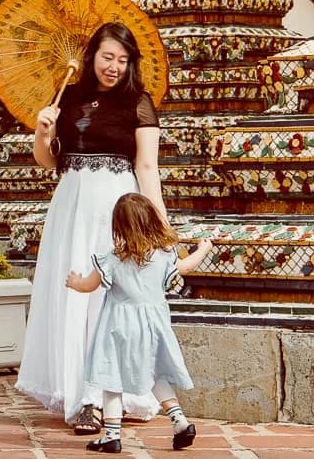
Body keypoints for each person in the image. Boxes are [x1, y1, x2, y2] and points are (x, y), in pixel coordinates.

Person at [15, 22, 170, 434]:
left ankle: (112, 392)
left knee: (111, 297)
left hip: (118, 206)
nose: (114, 67)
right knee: (74, 295)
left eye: (122, 60)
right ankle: (83, 397)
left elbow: (147, 167)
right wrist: (43, 132)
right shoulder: (68, 97)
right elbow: (49, 162)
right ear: (91, 56)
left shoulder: (139, 102)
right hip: (71, 204)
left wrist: (159, 224)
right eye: (107, 57)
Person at [66, 193, 212, 453]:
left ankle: (111, 435)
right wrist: (204, 249)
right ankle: (179, 421)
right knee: (155, 374)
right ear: (152, 221)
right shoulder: (163, 257)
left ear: (118, 226)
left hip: (118, 329)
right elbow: (186, 267)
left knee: (112, 379)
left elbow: (89, 285)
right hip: (153, 327)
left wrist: (75, 282)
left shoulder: (112, 258)